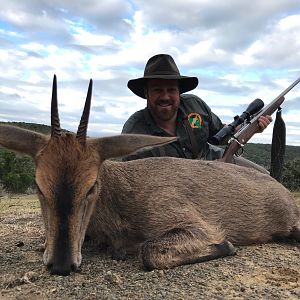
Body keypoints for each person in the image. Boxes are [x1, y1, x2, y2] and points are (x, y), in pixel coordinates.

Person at [122, 54, 271, 173]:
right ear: (146, 93)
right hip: (171, 185)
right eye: (157, 90)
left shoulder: (195, 105)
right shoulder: (133, 131)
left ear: (179, 92)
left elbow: (222, 135)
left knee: (265, 178)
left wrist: (252, 127)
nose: (165, 96)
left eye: (171, 90)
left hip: (216, 163)